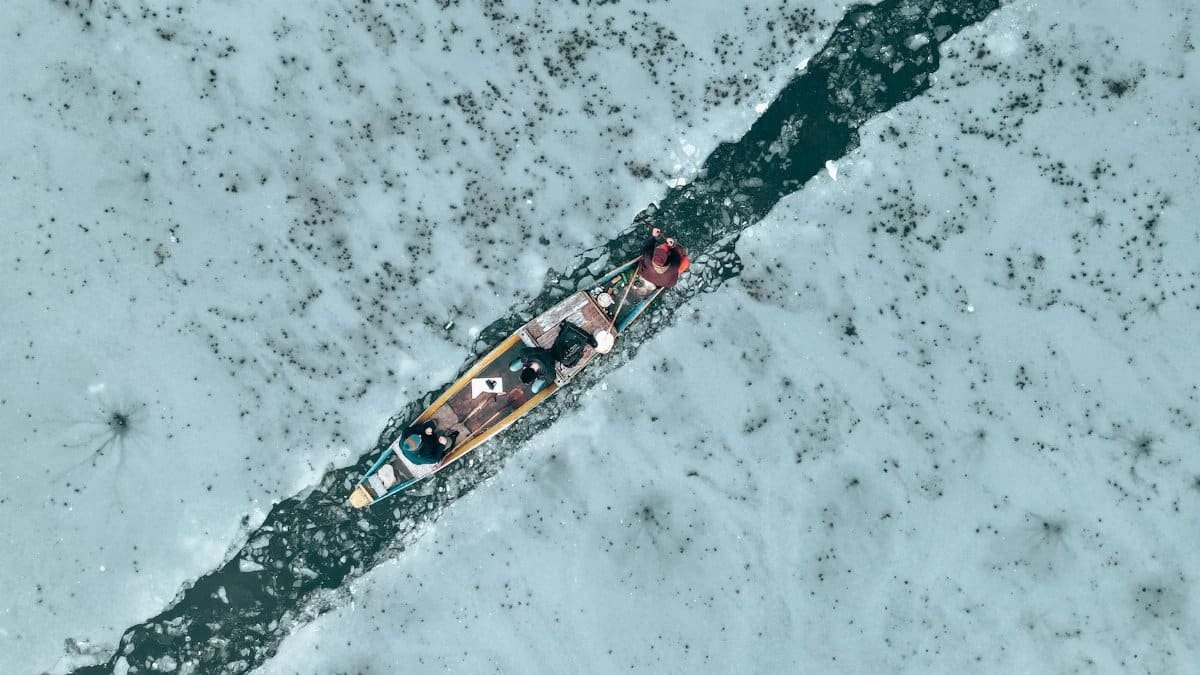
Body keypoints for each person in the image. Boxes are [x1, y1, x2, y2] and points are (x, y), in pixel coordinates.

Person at [637, 224, 690, 288]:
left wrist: (653, 236)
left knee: (645, 257)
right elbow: (676, 254)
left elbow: (648, 247)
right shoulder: (673, 266)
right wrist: (672, 246)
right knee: (684, 262)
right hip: (662, 281)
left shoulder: (648, 259)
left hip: (646, 275)